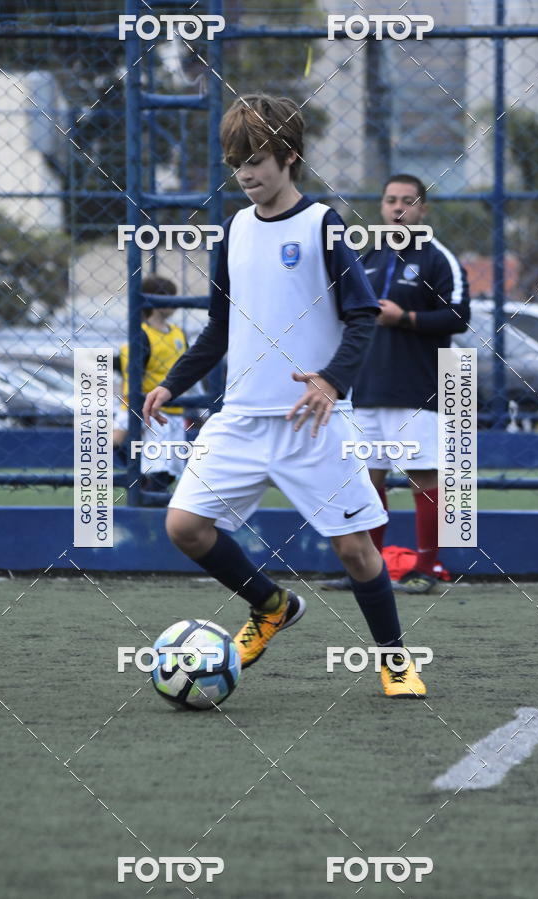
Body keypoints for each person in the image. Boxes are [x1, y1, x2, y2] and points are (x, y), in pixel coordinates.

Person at [143, 94, 426, 698]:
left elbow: (363, 314)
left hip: (313, 422)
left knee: (355, 550)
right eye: (236, 162)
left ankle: (396, 660)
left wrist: (329, 380)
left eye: (257, 159)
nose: (245, 173)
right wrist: (174, 382)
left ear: (289, 157)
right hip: (241, 419)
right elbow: (219, 328)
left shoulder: (323, 224)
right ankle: (271, 606)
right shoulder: (234, 230)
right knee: (184, 526)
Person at [321, 174, 470, 594]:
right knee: (368, 478)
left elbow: (459, 317)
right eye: (390, 200)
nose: (398, 208)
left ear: (423, 210)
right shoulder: (367, 258)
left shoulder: (438, 259)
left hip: (416, 390)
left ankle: (427, 569)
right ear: (382, 207)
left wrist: (403, 318)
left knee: (423, 476)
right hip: (366, 390)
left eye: (408, 201)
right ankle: (370, 571)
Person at [114, 274, 187, 498]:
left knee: (168, 474)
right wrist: (134, 415)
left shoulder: (178, 333)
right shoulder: (141, 336)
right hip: (150, 410)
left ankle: (141, 483)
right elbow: (131, 381)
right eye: (169, 297)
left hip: (174, 412)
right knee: (155, 477)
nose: (175, 303)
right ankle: (137, 484)